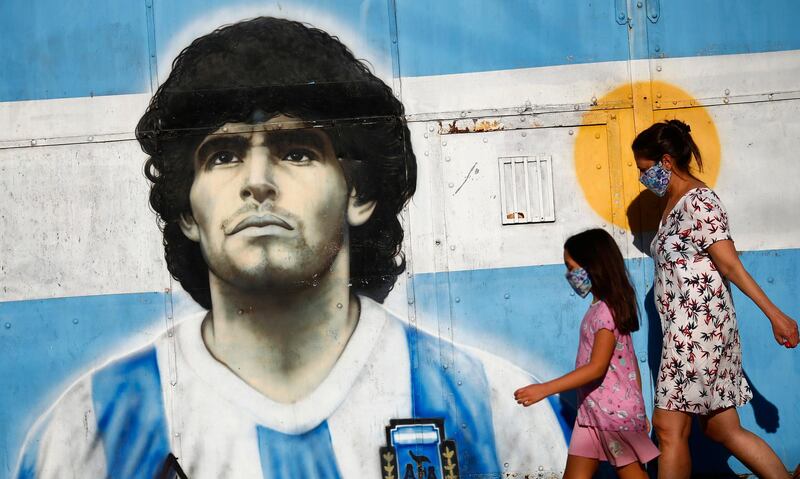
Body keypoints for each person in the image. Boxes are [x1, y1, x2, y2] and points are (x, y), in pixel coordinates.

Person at [14, 16, 567, 479]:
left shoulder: (493, 407)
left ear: (359, 193)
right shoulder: (89, 430)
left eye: (298, 151)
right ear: (186, 209)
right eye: (223, 155)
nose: (258, 181)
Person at [632, 119, 800, 479]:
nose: (642, 179)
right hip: (693, 331)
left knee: (668, 428)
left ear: (665, 161)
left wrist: (775, 315)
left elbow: (730, 265)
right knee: (721, 429)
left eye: (644, 170)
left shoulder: (699, 201)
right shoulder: (673, 206)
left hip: (697, 332)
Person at [514, 228, 659, 478]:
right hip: (590, 413)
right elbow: (630, 361)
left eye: (571, 266)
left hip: (613, 414)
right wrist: (641, 407)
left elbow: (596, 367)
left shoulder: (605, 312)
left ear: (592, 266)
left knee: (631, 473)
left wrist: (545, 389)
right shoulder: (600, 308)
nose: (569, 274)